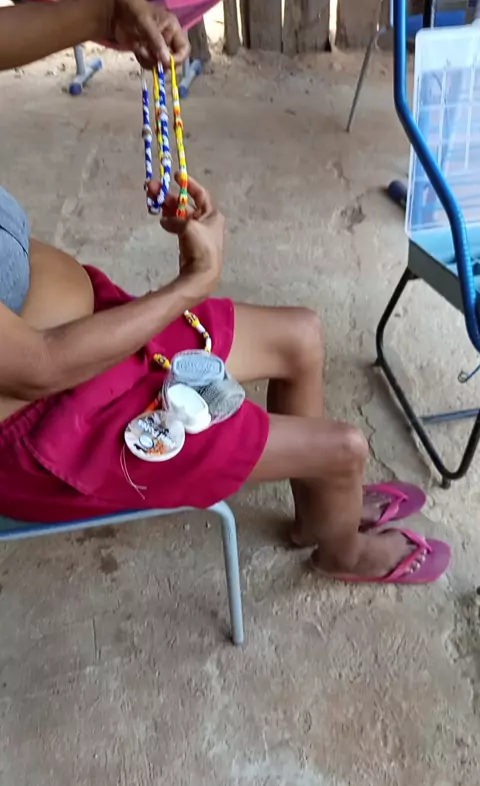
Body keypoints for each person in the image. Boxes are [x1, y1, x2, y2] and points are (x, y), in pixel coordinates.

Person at [0, 0, 451, 583]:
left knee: (302, 335)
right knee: (347, 447)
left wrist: (106, 16)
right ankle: (341, 551)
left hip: (93, 342)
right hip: (54, 433)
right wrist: (191, 284)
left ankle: (319, 515)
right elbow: (40, 367)